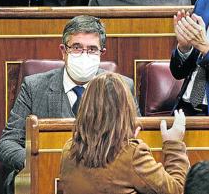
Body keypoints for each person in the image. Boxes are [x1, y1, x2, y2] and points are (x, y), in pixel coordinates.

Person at [0, 15, 136, 190]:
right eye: (77, 48)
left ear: (102, 54)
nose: (85, 55)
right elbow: (7, 143)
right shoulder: (34, 87)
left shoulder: (122, 87)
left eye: (92, 49)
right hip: (46, 180)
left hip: (101, 181)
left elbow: (134, 140)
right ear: (64, 51)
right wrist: (36, 161)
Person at [59, 73, 189, 194]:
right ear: (125, 110)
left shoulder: (68, 150)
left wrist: (126, 142)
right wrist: (174, 145)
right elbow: (177, 190)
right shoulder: (132, 154)